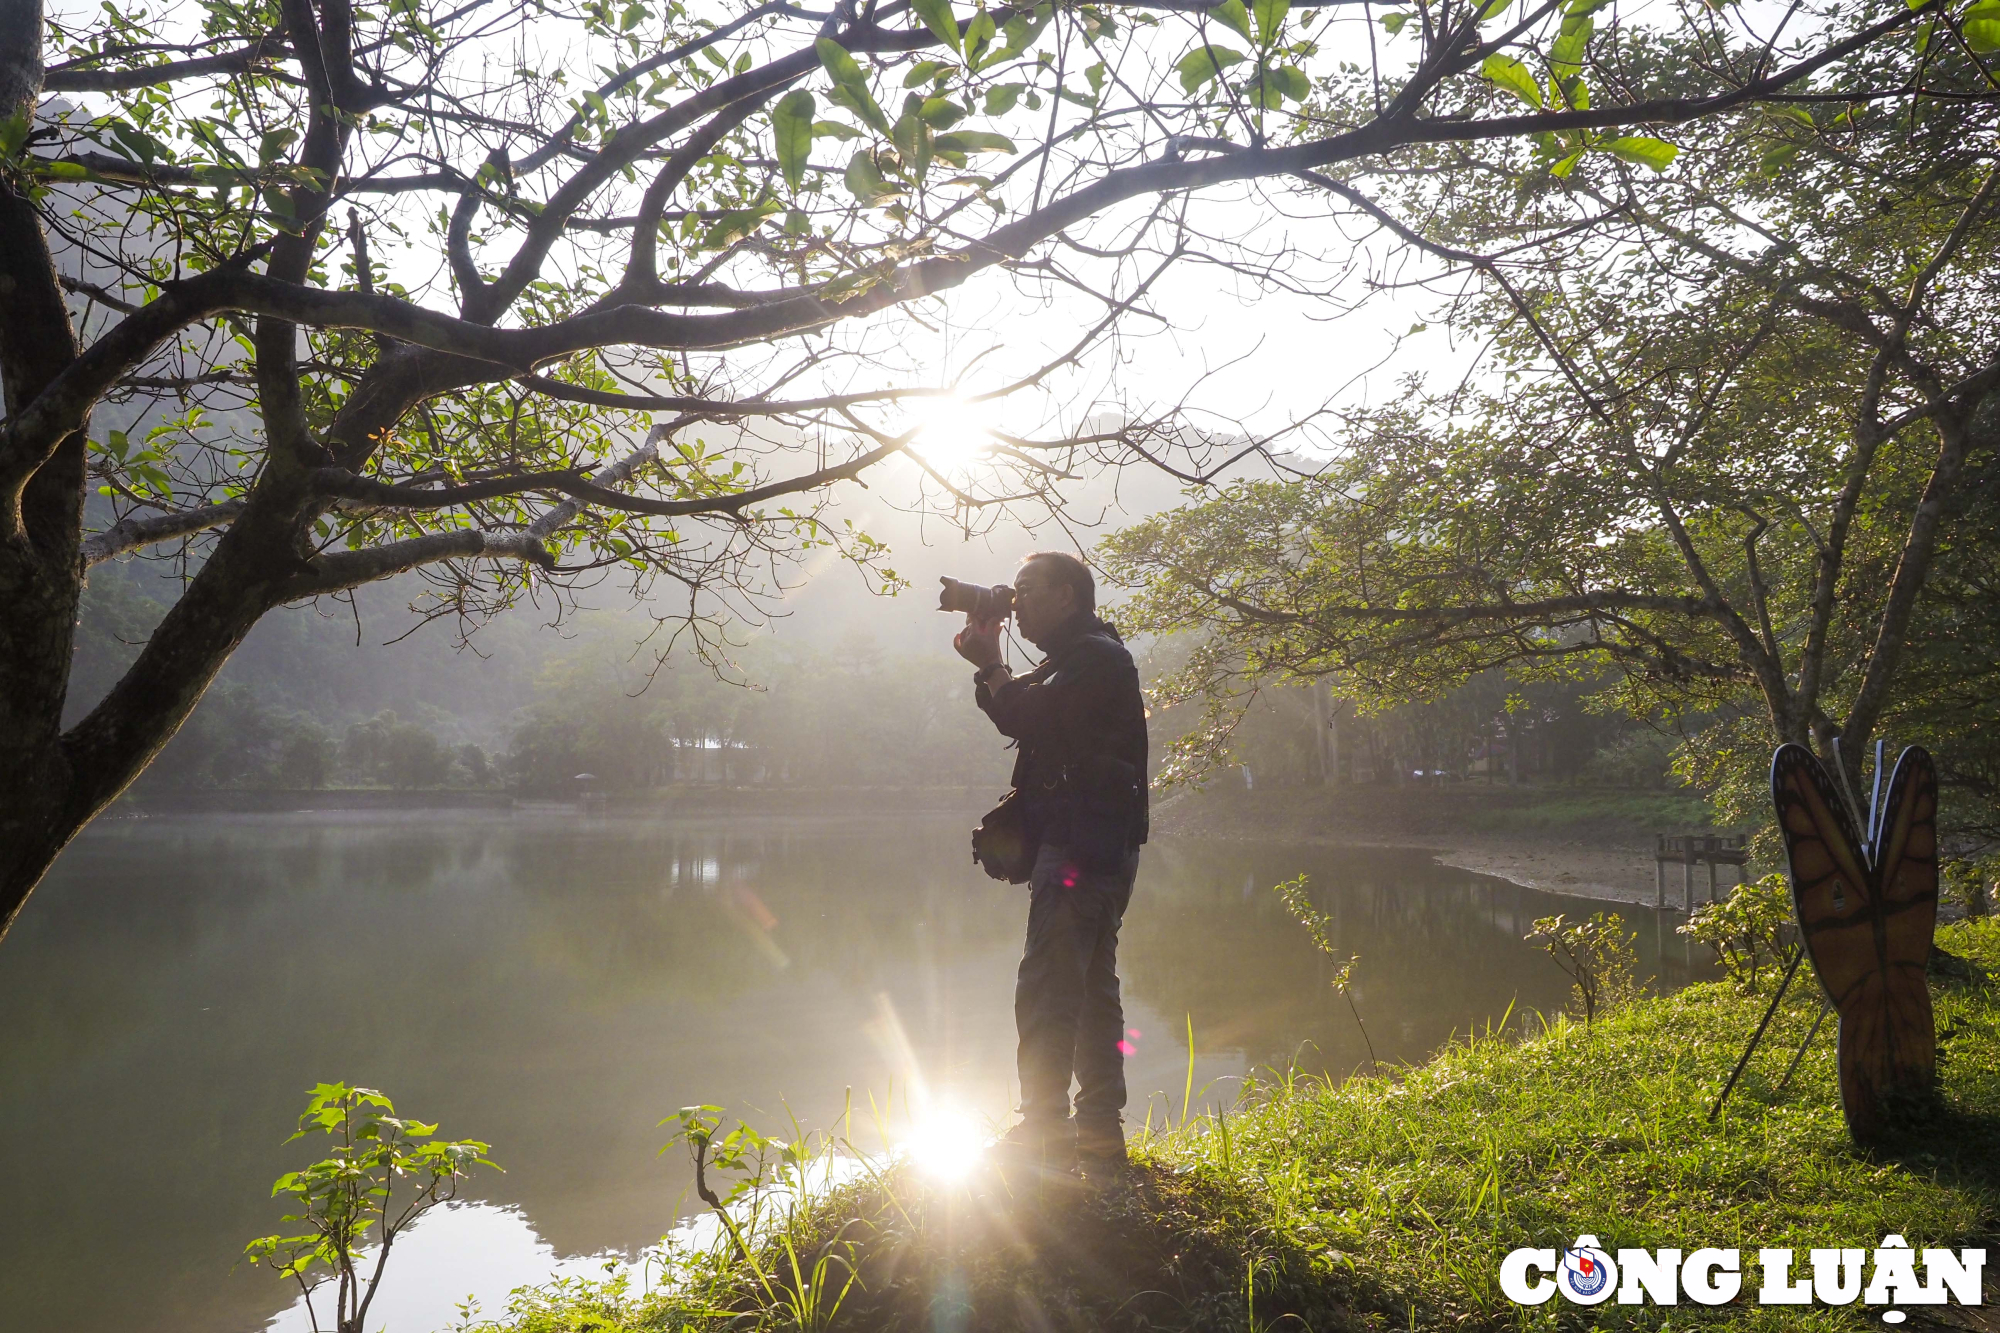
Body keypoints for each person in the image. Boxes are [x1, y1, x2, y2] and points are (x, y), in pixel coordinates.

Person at [952, 551, 1149, 1174]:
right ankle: (1096, 1132)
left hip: (1082, 850)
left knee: (1048, 985)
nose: (1017, 601)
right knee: (1090, 988)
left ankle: (1044, 1130)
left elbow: (1035, 716)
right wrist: (992, 670)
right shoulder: (1078, 658)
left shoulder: (1098, 658)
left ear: (1068, 595)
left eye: (1028, 590)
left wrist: (992, 665)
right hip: (1093, 845)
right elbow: (1023, 714)